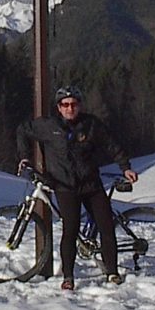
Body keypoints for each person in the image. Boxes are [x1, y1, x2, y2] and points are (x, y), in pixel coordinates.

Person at [16, 85, 138, 291]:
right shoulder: (48, 126)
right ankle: (68, 277)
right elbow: (22, 130)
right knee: (70, 230)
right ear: (59, 107)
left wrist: (125, 167)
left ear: (79, 106)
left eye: (73, 104)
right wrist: (25, 157)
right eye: (65, 105)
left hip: (91, 184)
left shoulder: (91, 125)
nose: (70, 108)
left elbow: (111, 145)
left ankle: (112, 272)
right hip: (65, 186)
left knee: (106, 227)